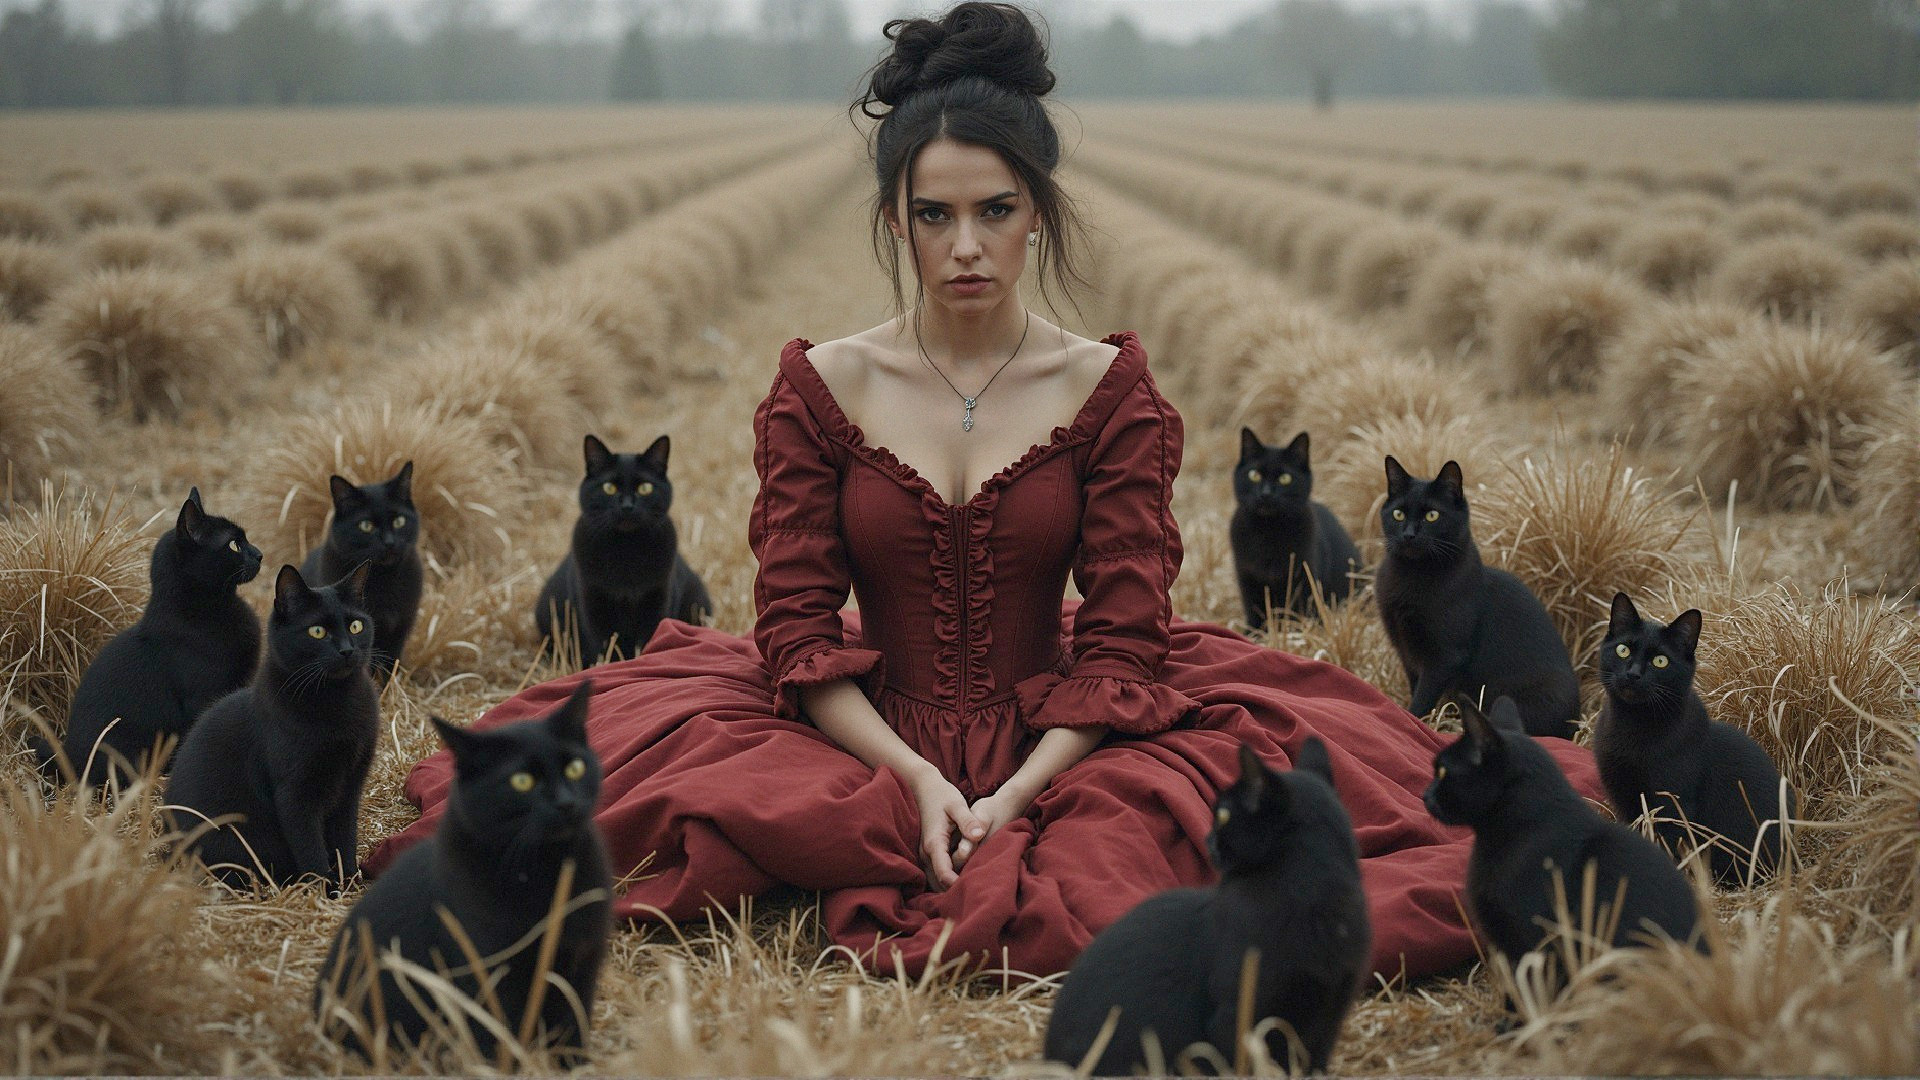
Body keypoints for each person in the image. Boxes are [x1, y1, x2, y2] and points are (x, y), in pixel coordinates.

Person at [367, 1, 1604, 983]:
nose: (966, 245)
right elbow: (794, 634)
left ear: (1036, 217)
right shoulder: (819, 387)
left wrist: (1016, 791)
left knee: (1314, 857)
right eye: (935, 214)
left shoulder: (1110, 392)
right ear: (895, 219)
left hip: (1073, 731)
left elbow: (1125, 640)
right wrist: (910, 776)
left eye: (995, 212)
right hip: (855, 727)